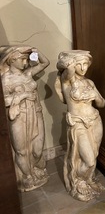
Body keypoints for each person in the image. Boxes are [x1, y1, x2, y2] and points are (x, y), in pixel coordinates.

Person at [55, 50, 105, 202]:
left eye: (85, 64)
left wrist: (96, 96)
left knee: (94, 154)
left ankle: (88, 179)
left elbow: (102, 103)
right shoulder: (66, 82)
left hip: (95, 120)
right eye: (79, 64)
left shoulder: (90, 83)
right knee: (88, 159)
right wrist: (68, 60)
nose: (83, 68)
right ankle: (78, 181)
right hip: (78, 124)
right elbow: (68, 69)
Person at [0, 45, 49, 192]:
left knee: (37, 149)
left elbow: (44, 63)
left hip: (36, 113)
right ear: (12, 60)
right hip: (19, 117)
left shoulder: (27, 74)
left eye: (26, 59)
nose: (26, 62)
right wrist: (23, 95)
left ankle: (34, 167)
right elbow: (4, 101)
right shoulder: (5, 80)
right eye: (22, 59)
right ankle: (27, 176)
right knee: (21, 150)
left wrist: (35, 50)